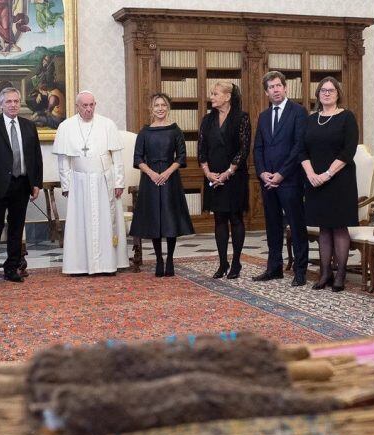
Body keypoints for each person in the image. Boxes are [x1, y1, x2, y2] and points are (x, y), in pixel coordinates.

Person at [52, 91, 129, 274]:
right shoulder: (66, 126)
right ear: (77, 106)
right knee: (80, 223)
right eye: (84, 106)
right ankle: (79, 265)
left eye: (91, 105)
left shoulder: (107, 124)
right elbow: (63, 160)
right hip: (79, 183)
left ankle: (108, 264)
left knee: (106, 223)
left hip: (105, 181)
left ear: (96, 104)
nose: (88, 109)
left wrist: (119, 182)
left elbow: (117, 157)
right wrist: (66, 185)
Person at [0, 87, 43, 286]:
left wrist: (36, 182)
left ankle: (12, 268)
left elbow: (36, 157)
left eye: (16, 101)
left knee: (16, 229)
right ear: (1, 104)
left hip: (21, 184)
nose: (13, 105)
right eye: (9, 102)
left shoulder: (29, 126)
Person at [300, 77, 359, 291]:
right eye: (323, 90)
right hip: (315, 181)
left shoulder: (347, 117)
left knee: (339, 227)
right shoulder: (310, 119)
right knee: (324, 228)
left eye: (331, 90)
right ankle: (325, 273)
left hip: (340, 180)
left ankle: (341, 274)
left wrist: (326, 174)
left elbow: (348, 151)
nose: (327, 93)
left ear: (338, 94)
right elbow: (301, 150)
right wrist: (311, 174)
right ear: (318, 94)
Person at [253, 71, 310, 287]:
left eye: (278, 86)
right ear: (266, 92)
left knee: (296, 225)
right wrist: (262, 173)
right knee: (272, 225)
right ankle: (274, 268)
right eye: (271, 87)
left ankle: (300, 270)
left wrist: (281, 174)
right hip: (267, 181)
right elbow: (258, 148)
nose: (276, 90)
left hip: (290, 179)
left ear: (285, 88)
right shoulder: (264, 116)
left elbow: (298, 147)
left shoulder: (298, 112)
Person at [129, 93, 195, 277]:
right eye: (156, 105)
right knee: (155, 219)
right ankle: (158, 259)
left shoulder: (175, 130)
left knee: (170, 218)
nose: (160, 108)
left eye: (163, 105)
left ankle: (170, 260)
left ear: (168, 108)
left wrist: (166, 173)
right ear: (151, 108)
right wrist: (151, 173)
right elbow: (138, 158)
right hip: (150, 180)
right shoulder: (144, 132)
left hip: (170, 178)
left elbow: (181, 157)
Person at [198, 82, 250, 279]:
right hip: (213, 176)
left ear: (227, 96)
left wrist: (229, 172)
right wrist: (207, 172)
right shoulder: (207, 120)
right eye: (212, 93)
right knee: (219, 219)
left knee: (235, 218)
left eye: (215, 93)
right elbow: (201, 147)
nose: (212, 97)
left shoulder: (241, 118)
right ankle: (222, 263)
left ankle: (236, 262)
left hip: (235, 177)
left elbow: (244, 149)